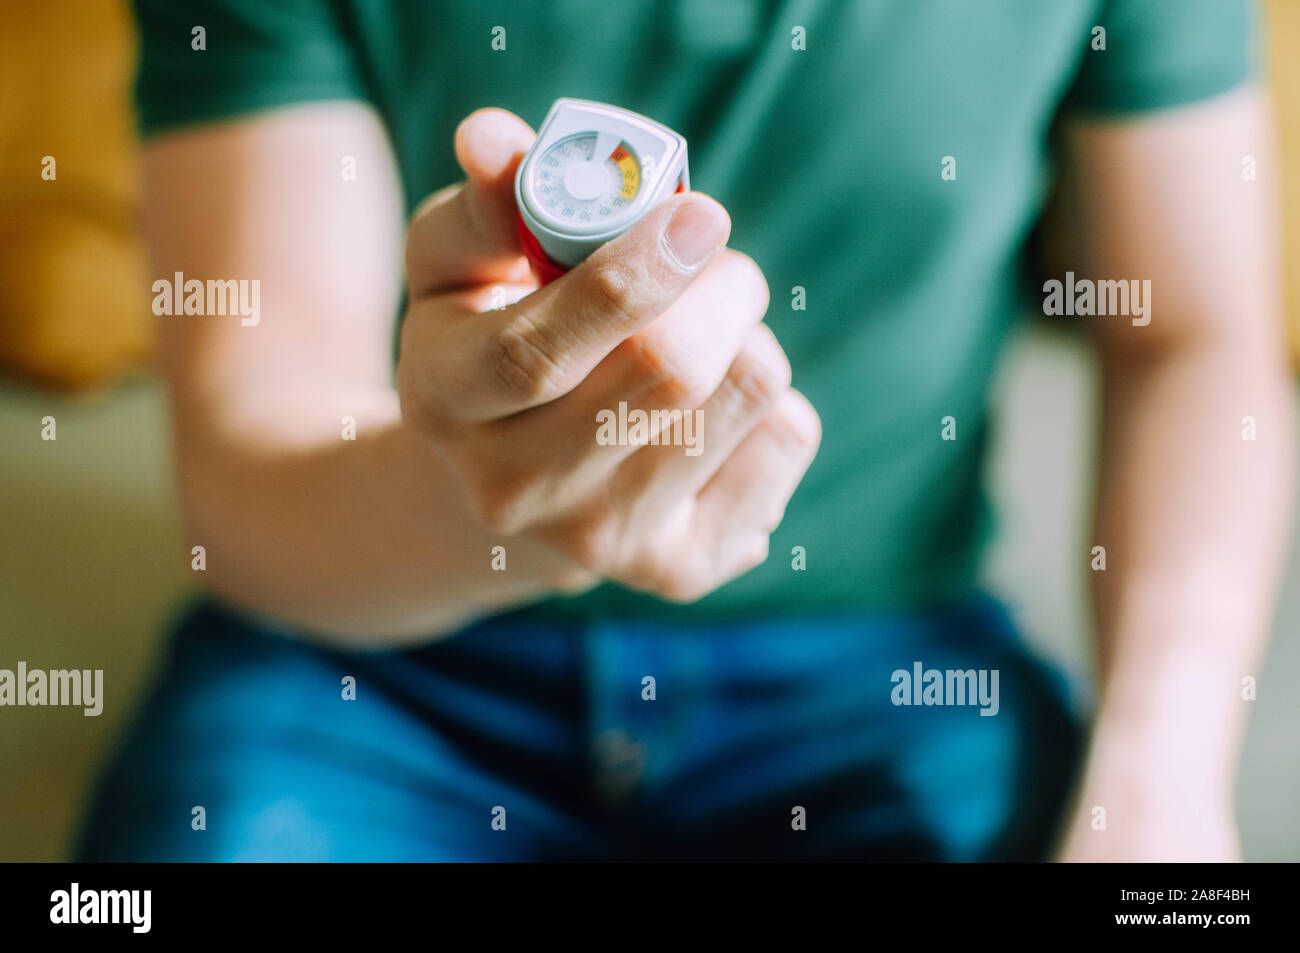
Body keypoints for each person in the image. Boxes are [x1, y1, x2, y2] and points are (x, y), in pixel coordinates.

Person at [78, 0, 1292, 861]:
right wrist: (490, 504)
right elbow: (246, 462)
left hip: (880, 666)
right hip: (369, 673)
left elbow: (1193, 338)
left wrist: (1159, 788)